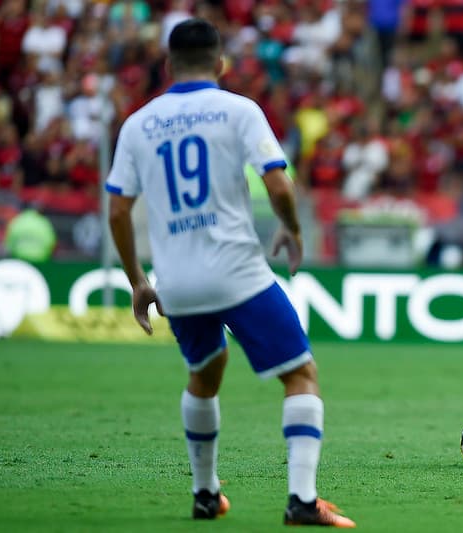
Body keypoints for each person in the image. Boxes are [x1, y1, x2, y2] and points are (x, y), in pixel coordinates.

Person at [106, 18, 355, 526]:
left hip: (176, 281)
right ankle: (302, 501)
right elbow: (280, 186)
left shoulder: (138, 124)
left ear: (169, 65)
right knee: (300, 374)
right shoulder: (239, 110)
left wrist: (137, 280)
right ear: (220, 63)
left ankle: (204, 494)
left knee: (204, 373)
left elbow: (117, 210)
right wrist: (291, 228)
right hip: (237, 272)